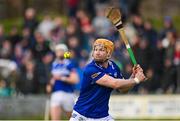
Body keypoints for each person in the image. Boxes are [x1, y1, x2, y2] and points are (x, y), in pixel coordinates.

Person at [69, 38, 146, 121]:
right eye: (95, 50)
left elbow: (123, 90)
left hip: (102, 117)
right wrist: (137, 80)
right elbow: (115, 84)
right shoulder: (91, 69)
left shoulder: (114, 67)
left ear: (108, 53)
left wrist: (133, 77)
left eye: (101, 50)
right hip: (82, 115)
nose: (97, 53)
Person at [47, 44, 79, 120]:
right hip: (56, 93)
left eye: (61, 50)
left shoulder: (69, 64)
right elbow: (51, 78)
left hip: (67, 93)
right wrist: (49, 85)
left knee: (72, 118)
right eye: (58, 51)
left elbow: (75, 80)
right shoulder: (53, 64)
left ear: (65, 52)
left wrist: (61, 78)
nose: (59, 52)